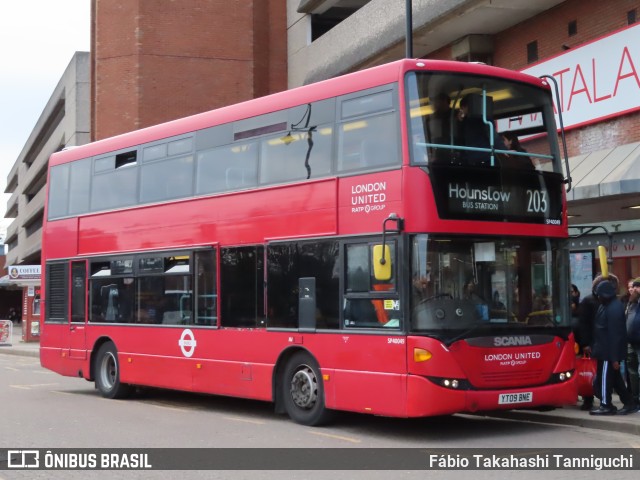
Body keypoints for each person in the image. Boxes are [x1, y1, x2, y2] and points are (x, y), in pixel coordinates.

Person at [590, 279, 636, 415]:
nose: (598, 297)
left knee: (605, 378)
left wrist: (615, 357)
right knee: (614, 379)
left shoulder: (613, 308)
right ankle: (629, 402)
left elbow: (616, 335)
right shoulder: (607, 305)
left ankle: (606, 404)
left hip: (608, 351)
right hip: (605, 349)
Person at [577, 273, 619, 410]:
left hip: (603, 343)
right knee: (593, 372)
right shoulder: (589, 301)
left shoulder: (609, 302)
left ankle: (607, 398)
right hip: (593, 342)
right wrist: (585, 343)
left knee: (605, 373)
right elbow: (583, 323)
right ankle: (589, 398)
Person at [457, 94, 507, 166]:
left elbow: (493, 136)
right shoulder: (465, 121)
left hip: (484, 158)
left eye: (462, 108)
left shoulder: (484, 119)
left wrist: (503, 150)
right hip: (475, 158)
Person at [427, 93, 456, 164]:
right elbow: (427, 137)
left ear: (445, 101)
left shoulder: (455, 115)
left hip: (454, 152)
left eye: (437, 101)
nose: (434, 104)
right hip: (438, 155)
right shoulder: (431, 119)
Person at [625, 277, 640, 411]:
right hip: (631, 342)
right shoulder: (631, 302)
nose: (634, 289)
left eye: (637, 287)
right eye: (634, 286)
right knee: (632, 372)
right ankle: (635, 399)